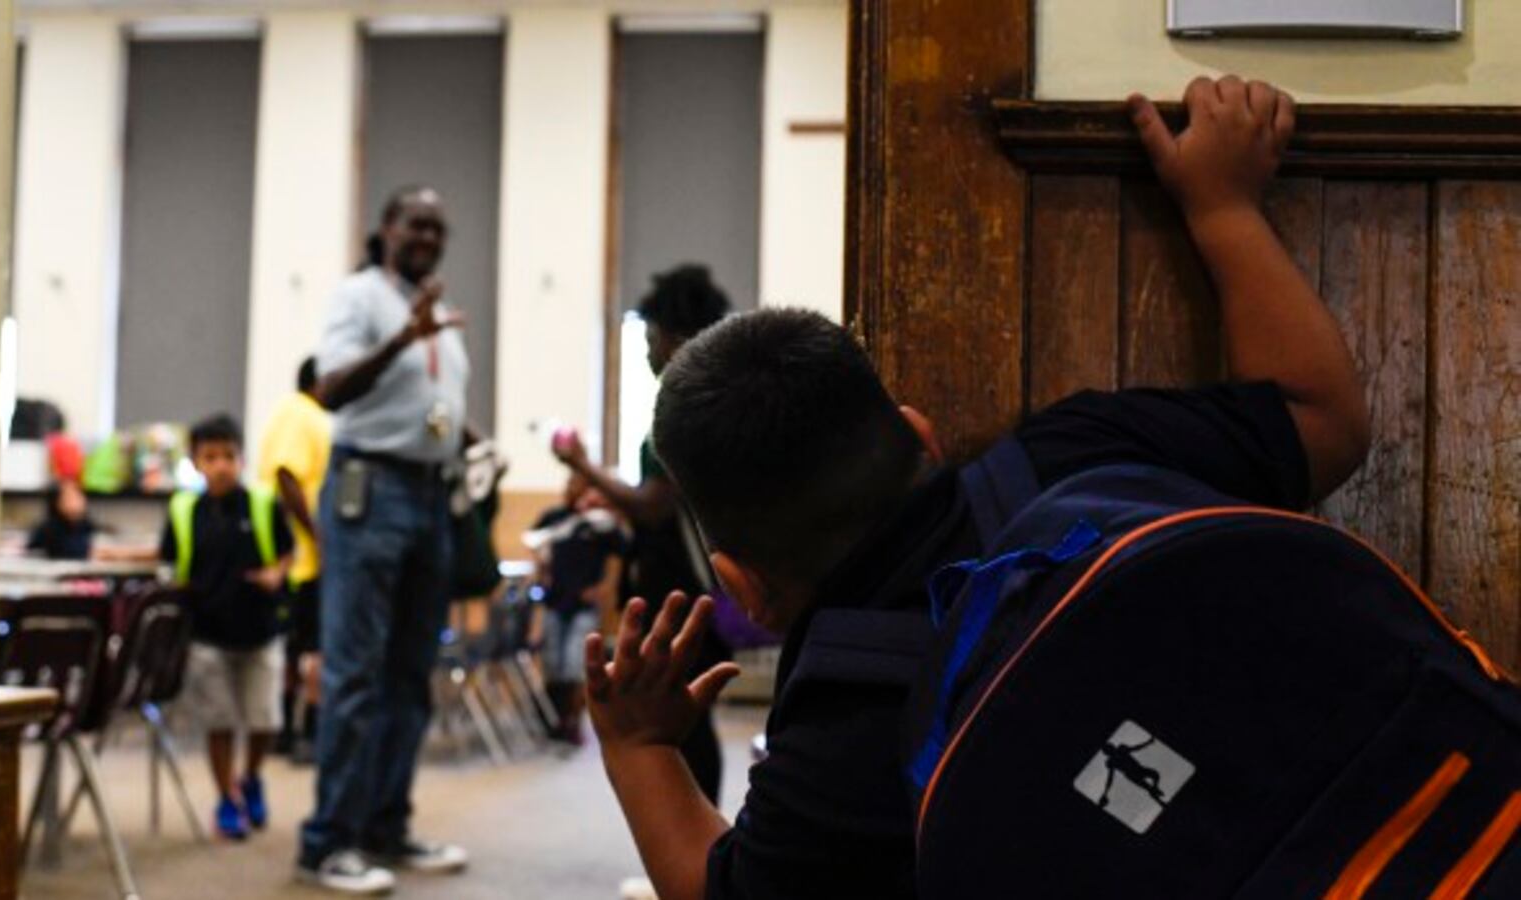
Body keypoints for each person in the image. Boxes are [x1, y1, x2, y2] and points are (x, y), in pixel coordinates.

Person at [584, 76, 1371, 900]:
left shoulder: (845, 735)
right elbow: (1323, 419)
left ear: (743, 584)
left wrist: (640, 748)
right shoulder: (1075, 455)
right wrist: (1221, 205)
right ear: (919, 434)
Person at [297, 187, 471, 895]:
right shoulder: (361, 298)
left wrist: (473, 443)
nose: (429, 233)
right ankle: (326, 842)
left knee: (409, 674)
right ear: (386, 229)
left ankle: (384, 827)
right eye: (415, 222)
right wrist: (403, 339)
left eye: (438, 224)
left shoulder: (439, 315)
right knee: (356, 673)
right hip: (369, 492)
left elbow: (432, 410)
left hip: (433, 497)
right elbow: (329, 391)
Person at [553, 263, 733, 802]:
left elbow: (654, 509)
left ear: (678, 340)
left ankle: (698, 856)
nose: (650, 354)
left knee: (685, 720)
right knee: (691, 716)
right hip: (691, 587)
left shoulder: (684, 413)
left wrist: (582, 467)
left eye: (652, 340)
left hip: (680, 592)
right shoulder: (716, 405)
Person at [159, 414, 295, 841]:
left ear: (242, 459)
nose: (220, 465)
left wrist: (277, 572)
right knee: (219, 722)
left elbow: (289, 551)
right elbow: (168, 563)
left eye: (229, 456)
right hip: (206, 634)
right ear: (196, 462)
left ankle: (252, 776)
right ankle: (227, 798)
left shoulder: (262, 504)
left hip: (260, 631)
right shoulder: (184, 511)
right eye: (210, 457)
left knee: (263, 721)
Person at [256, 356, 333, 763]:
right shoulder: (302, 414)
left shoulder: (303, 414)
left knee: (297, 649)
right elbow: (287, 475)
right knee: (309, 650)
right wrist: (316, 532)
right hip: (303, 558)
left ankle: (292, 730)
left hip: (304, 557)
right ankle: (301, 731)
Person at [525, 473, 628, 745]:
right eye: (568, 484)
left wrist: (605, 587)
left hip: (583, 606)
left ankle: (573, 722)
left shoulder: (598, 523)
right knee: (552, 665)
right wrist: (542, 571)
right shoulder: (554, 518)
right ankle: (553, 722)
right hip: (554, 602)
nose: (571, 490)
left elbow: (621, 553)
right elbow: (534, 545)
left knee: (575, 667)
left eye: (577, 486)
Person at [25, 478, 98, 560]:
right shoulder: (49, 528)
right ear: (57, 502)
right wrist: (93, 553)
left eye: (78, 496)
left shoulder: (86, 525)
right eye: (69, 498)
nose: (76, 502)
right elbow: (61, 551)